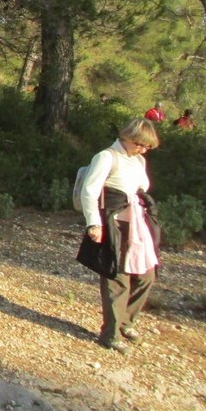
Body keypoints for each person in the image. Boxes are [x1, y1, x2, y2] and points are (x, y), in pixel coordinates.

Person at [78, 118, 160, 354]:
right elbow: (89, 192)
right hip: (115, 225)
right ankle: (110, 333)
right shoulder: (106, 157)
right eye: (139, 144)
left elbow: (142, 187)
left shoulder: (138, 160)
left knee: (146, 276)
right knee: (117, 278)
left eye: (147, 146)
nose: (143, 149)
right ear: (127, 137)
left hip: (137, 225)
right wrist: (94, 223)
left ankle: (126, 322)